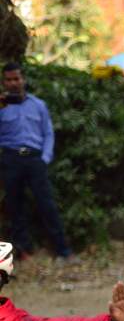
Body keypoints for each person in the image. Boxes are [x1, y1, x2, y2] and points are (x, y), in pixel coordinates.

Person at [0, 63, 73, 260]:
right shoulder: (1, 105)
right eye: (9, 79)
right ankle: (24, 251)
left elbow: (48, 133)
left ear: (23, 79)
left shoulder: (38, 105)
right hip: (10, 159)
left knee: (46, 204)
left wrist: (44, 158)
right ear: (4, 82)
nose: (13, 83)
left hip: (35, 160)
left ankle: (63, 251)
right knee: (15, 206)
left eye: (16, 78)